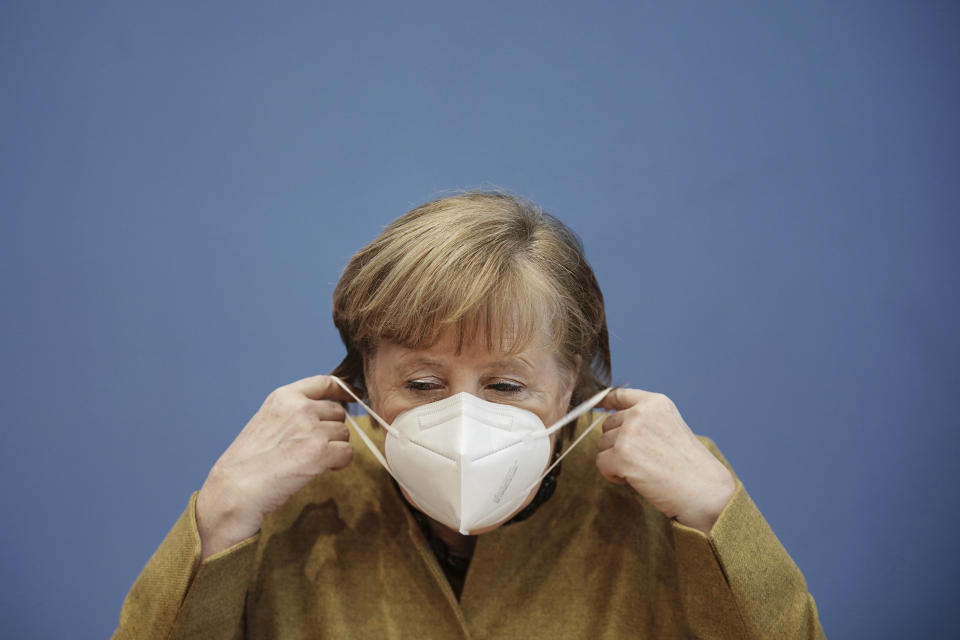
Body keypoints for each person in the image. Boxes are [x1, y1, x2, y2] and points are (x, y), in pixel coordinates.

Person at [113, 192, 825, 639]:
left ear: (571, 376)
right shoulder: (287, 499)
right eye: (422, 382)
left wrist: (718, 519)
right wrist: (222, 518)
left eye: (506, 385)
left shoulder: (670, 496)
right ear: (363, 380)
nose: (462, 419)